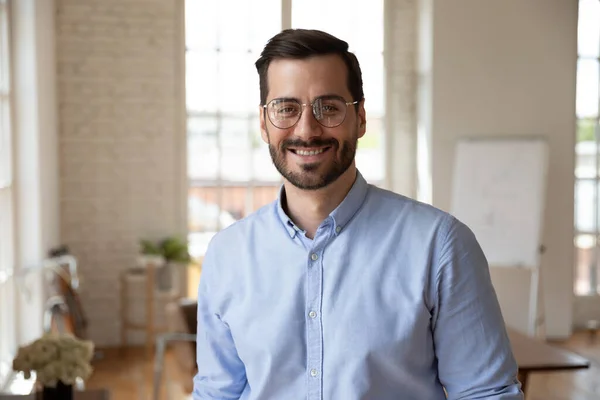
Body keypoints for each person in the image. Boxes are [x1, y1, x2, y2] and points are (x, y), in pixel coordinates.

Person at [193, 28, 523, 400]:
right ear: (263, 123)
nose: (307, 130)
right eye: (286, 108)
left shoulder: (439, 245)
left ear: (360, 118)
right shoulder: (227, 254)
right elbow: (217, 392)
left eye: (328, 108)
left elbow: (486, 394)